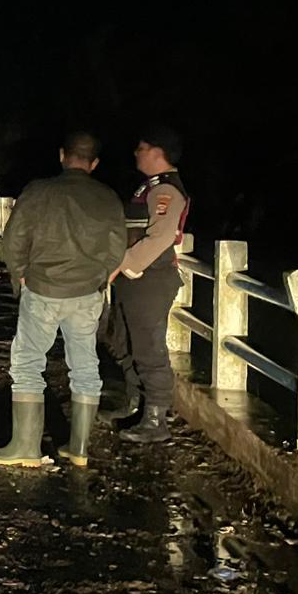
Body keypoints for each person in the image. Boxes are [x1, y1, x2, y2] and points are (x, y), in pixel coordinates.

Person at [0, 131, 126, 468]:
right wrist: (100, 279)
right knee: (85, 365)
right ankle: (79, 448)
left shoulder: (39, 191)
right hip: (87, 293)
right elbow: (117, 248)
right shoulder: (107, 198)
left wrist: (20, 273)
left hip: (43, 289)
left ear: (62, 155)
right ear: (94, 163)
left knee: (28, 363)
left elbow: (14, 239)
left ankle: (25, 447)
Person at [111, 126, 192, 445]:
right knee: (126, 342)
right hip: (136, 278)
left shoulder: (165, 190)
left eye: (142, 148)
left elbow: (160, 237)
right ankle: (136, 405)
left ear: (158, 152)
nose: (136, 153)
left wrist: (124, 265)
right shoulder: (149, 187)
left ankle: (156, 419)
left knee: (148, 348)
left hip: (150, 278)